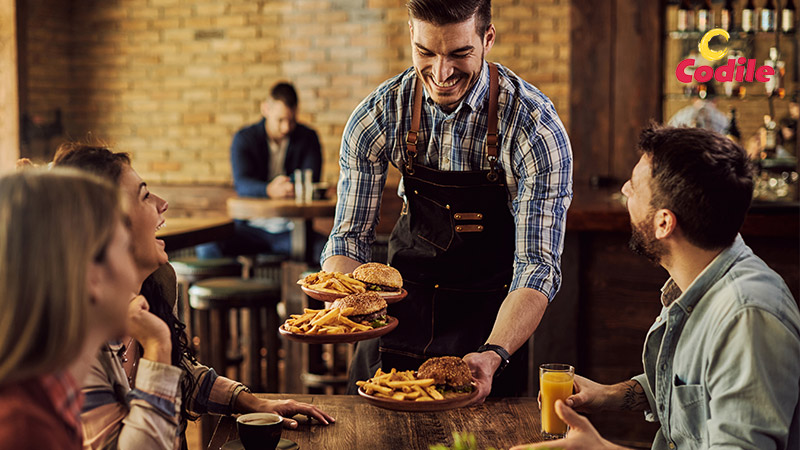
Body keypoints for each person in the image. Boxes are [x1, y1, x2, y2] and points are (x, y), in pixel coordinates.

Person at [321, 0, 573, 401]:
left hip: (490, 328)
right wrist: (348, 309)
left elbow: (537, 267)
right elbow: (349, 238)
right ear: (411, 35)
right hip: (396, 319)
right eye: (426, 52)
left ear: (487, 39)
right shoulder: (380, 114)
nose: (440, 73)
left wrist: (494, 353)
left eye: (459, 53)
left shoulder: (533, 126)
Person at [513, 125, 800, 450]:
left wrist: (601, 449)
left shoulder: (748, 319)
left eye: (634, 187)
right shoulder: (699, 280)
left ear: (664, 222)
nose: (624, 190)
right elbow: (692, 386)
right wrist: (607, 395)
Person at [52, 143, 334, 450]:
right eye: (145, 196)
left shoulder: (154, 287)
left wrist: (253, 402)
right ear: (107, 226)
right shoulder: (76, 342)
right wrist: (158, 345)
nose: (163, 203)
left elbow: (181, 375)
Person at [0, 169, 135, 449]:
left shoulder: (47, 403)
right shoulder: (23, 432)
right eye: (126, 249)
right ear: (90, 274)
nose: (134, 274)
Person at [196, 81, 327, 262]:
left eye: (291, 120)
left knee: (330, 252)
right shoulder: (245, 138)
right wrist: (269, 190)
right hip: (250, 228)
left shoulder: (308, 137)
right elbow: (242, 183)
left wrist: (288, 187)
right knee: (207, 246)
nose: (286, 127)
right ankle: (238, 289)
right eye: (280, 120)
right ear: (265, 109)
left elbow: (310, 179)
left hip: (293, 230)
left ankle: (307, 291)